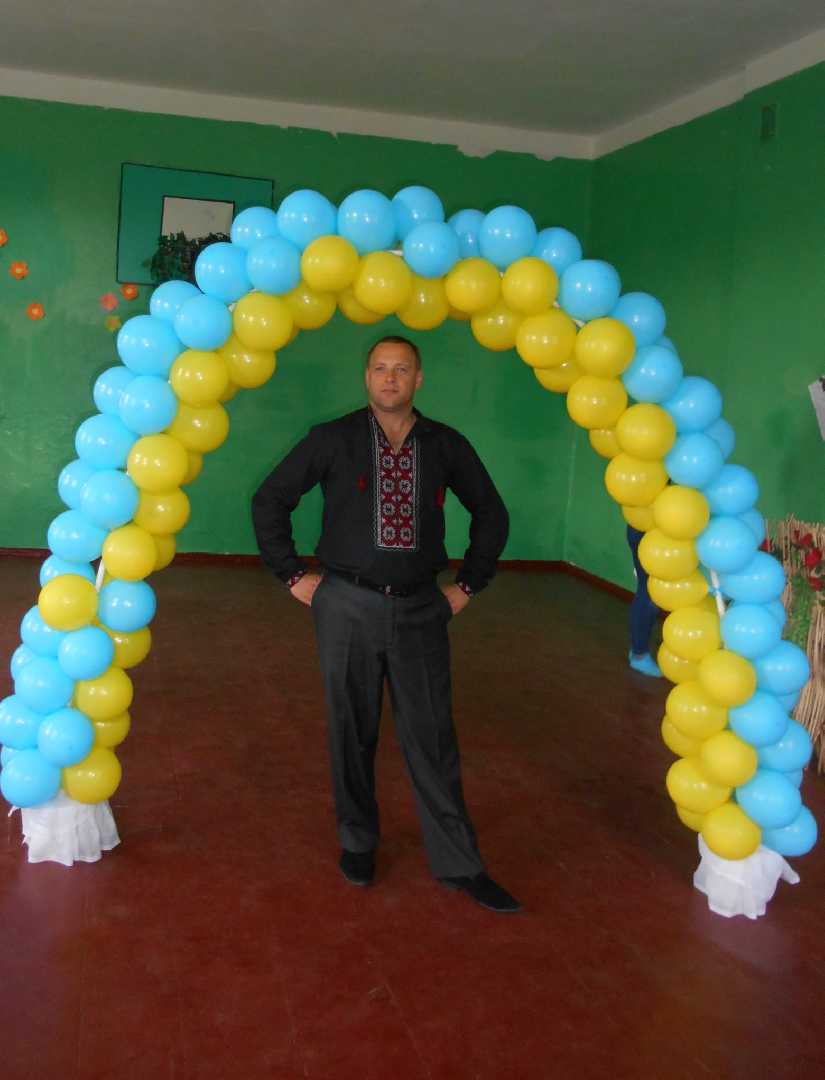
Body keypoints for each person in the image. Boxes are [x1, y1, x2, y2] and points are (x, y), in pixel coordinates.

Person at [251, 335, 521, 914]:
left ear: (419, 379)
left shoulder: (445, 444)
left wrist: (469, 584)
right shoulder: (333, 438)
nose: (390, 378)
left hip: (422, 607)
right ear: (366, 377)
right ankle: (357, 841)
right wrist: (292, 574)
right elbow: (270, 499)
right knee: (351, 729)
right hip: (346, 604)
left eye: (402, 369)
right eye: (380, 368)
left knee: (432, 736)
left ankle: (459, 862)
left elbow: (491, 513)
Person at [626, 525, 663, 677]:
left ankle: (638, 650)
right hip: (649, 534)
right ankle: (639, 654)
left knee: (651, 590)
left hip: (649, 532)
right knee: (650, 592)